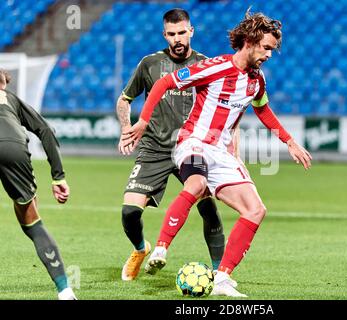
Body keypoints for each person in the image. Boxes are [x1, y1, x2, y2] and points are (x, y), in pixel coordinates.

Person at [120, 10, 312, 297]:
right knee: (196, 185)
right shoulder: (216, 66)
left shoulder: (256, 80)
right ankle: (160, 248)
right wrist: (143, 121)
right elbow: (163, 83)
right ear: (250, 41)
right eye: (267, 48)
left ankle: (221, 277)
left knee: (256, 210)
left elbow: (262, 109)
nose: (270, 55)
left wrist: (289, 141)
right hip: (193, 141)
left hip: (221, 151)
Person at [116, 8, 227, 281]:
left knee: (208, 209)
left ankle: (220, 273)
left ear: (191, 31)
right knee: (129, 212)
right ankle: (140, 249)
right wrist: (125, 129)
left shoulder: (206, 65)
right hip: (154, 147)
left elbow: (222, 109)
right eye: (171, 34)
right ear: (164, 34)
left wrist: (227, 148)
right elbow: (124, 99)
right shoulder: (150, 64)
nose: (177, 38)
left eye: (182, 32)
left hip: (190, 148)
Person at [0, 69, 76, 300]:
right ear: (4, 83)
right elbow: (46, 130)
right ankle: (65, 291)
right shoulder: (10, 99)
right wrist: (58, 176)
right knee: (32, 223)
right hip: (11, 146)